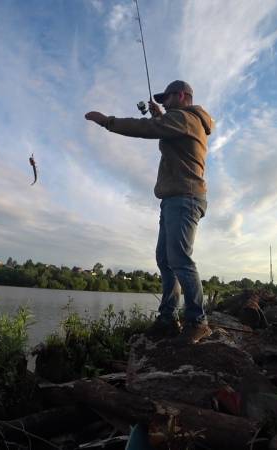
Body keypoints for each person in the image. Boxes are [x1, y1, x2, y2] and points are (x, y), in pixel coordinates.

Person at [84, 80, 214, 344]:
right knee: (165, 260)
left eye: (166, 98)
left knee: (180, 259)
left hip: (184, 198)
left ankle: (198, 322)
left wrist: (107, 121)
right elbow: (165, 126)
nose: (163, 103)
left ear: (181, 95)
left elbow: (147, 128)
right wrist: (161, 115)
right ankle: (168, 319)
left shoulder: (186, 119)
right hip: (175, 199)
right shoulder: (181, 120)